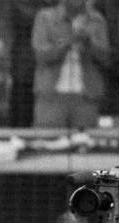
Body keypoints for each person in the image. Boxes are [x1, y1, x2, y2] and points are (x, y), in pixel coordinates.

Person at [31, 0, 110, 130]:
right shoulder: (45, 17)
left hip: (86, 98)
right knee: (48, 146)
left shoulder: (97, 20)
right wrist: (71, 39)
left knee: (85, 146)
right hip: (51, 98)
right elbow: (42, 56)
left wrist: (88, 43)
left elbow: (105, 59)